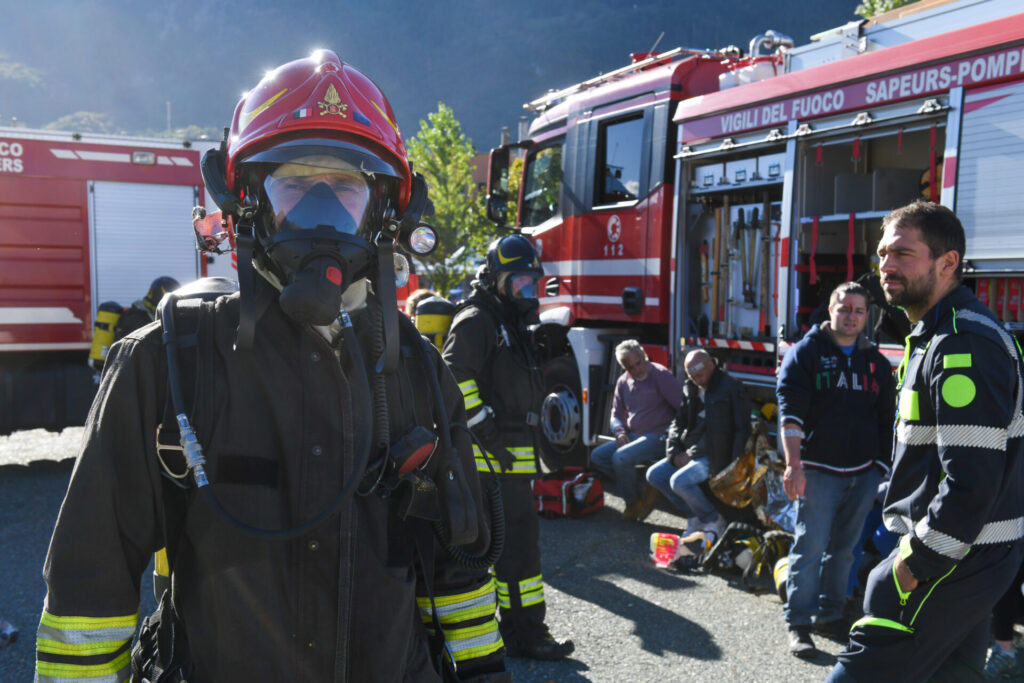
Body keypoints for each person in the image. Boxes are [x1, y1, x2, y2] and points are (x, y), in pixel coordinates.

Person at [35, 51, 508, 682]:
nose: (322, 214)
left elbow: (460, 569)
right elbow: (88, 589)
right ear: (247, 206)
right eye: (295, 187)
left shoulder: (418, 372)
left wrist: (485, 674)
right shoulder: (167, 365)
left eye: (344, 190)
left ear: (384, 215)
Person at [828, 201, 1024, 681]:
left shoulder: (962, 342)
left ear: (947, 262)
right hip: (969, 556)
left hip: (950, 559)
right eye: (882, 254)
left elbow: (971, 481)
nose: (886, 266)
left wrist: (914, 564)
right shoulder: (938, 333)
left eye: (903, 254)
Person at [442, 233, 574, 661]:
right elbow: (455, 377)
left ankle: (521, 629)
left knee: (520, 551)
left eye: (531, 284)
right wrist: (491, 438)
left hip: (510, 463)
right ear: (497, 281)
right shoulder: (478, 320)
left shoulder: (508, 323)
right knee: (511, 553)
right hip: (489, 464)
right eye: (519, 284)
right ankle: (524, 635)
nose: (527, 293)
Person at [777, 281, 895, 659]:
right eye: (844, 309)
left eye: (859, 311)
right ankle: (799, 624)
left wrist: (881, 467)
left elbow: (885, 418)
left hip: (863, 473)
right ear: (831, 310)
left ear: (867, 316)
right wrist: (794, 465)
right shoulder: (805, 354)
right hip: (817, 470)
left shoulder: (875, 362)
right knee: (809, 546)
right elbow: (789, 414)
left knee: (844, 551)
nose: (851, 317)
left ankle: (831, 614)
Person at [646, 348, 750, 540]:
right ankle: (695, 517)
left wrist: (732, 464)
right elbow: (679, 421)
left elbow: (727, 431)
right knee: (655, 475)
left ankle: (713, 519)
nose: (697, 380)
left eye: (700, 375)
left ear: (711, 365)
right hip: (690, 450)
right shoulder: (691, 388)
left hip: (715, 454)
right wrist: (674, 451)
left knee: (679, 482)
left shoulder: (729, 388)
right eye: (692, 376)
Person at [590, 340, 683, 521]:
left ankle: (632, 503)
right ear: (624, 367)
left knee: (620, 458)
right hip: (634, 435)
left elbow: (683, 408)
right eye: (630, 367)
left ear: (644, 356)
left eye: (638, 363)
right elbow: (615, 414)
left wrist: (678, 438)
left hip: (659, 436)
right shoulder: (623, 381)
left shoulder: (660, 375)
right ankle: (643, 487)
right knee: (597, 457)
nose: (637, 369)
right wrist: (619, 432)